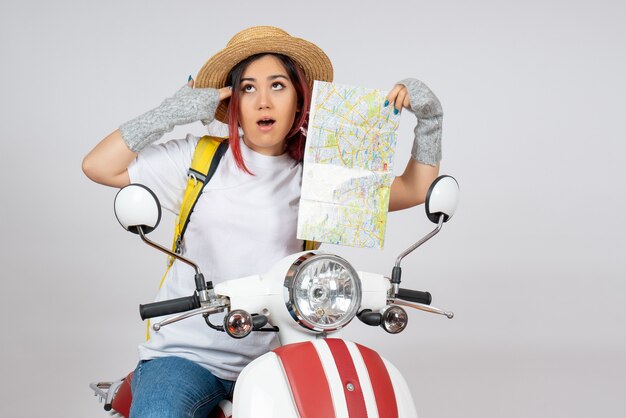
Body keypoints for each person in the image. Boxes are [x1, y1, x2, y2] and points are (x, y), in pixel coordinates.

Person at [82, 26, 443, 417]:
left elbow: (415, 188)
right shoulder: (199, 161)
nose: (263, 102)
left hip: (281, 355)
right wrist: (170, 113)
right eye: (248, 88)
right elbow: (98, 166)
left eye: (278, 86)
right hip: (186, 357)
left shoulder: (320, 175)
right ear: (233, 100)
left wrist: (429, 120)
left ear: (299, 98)